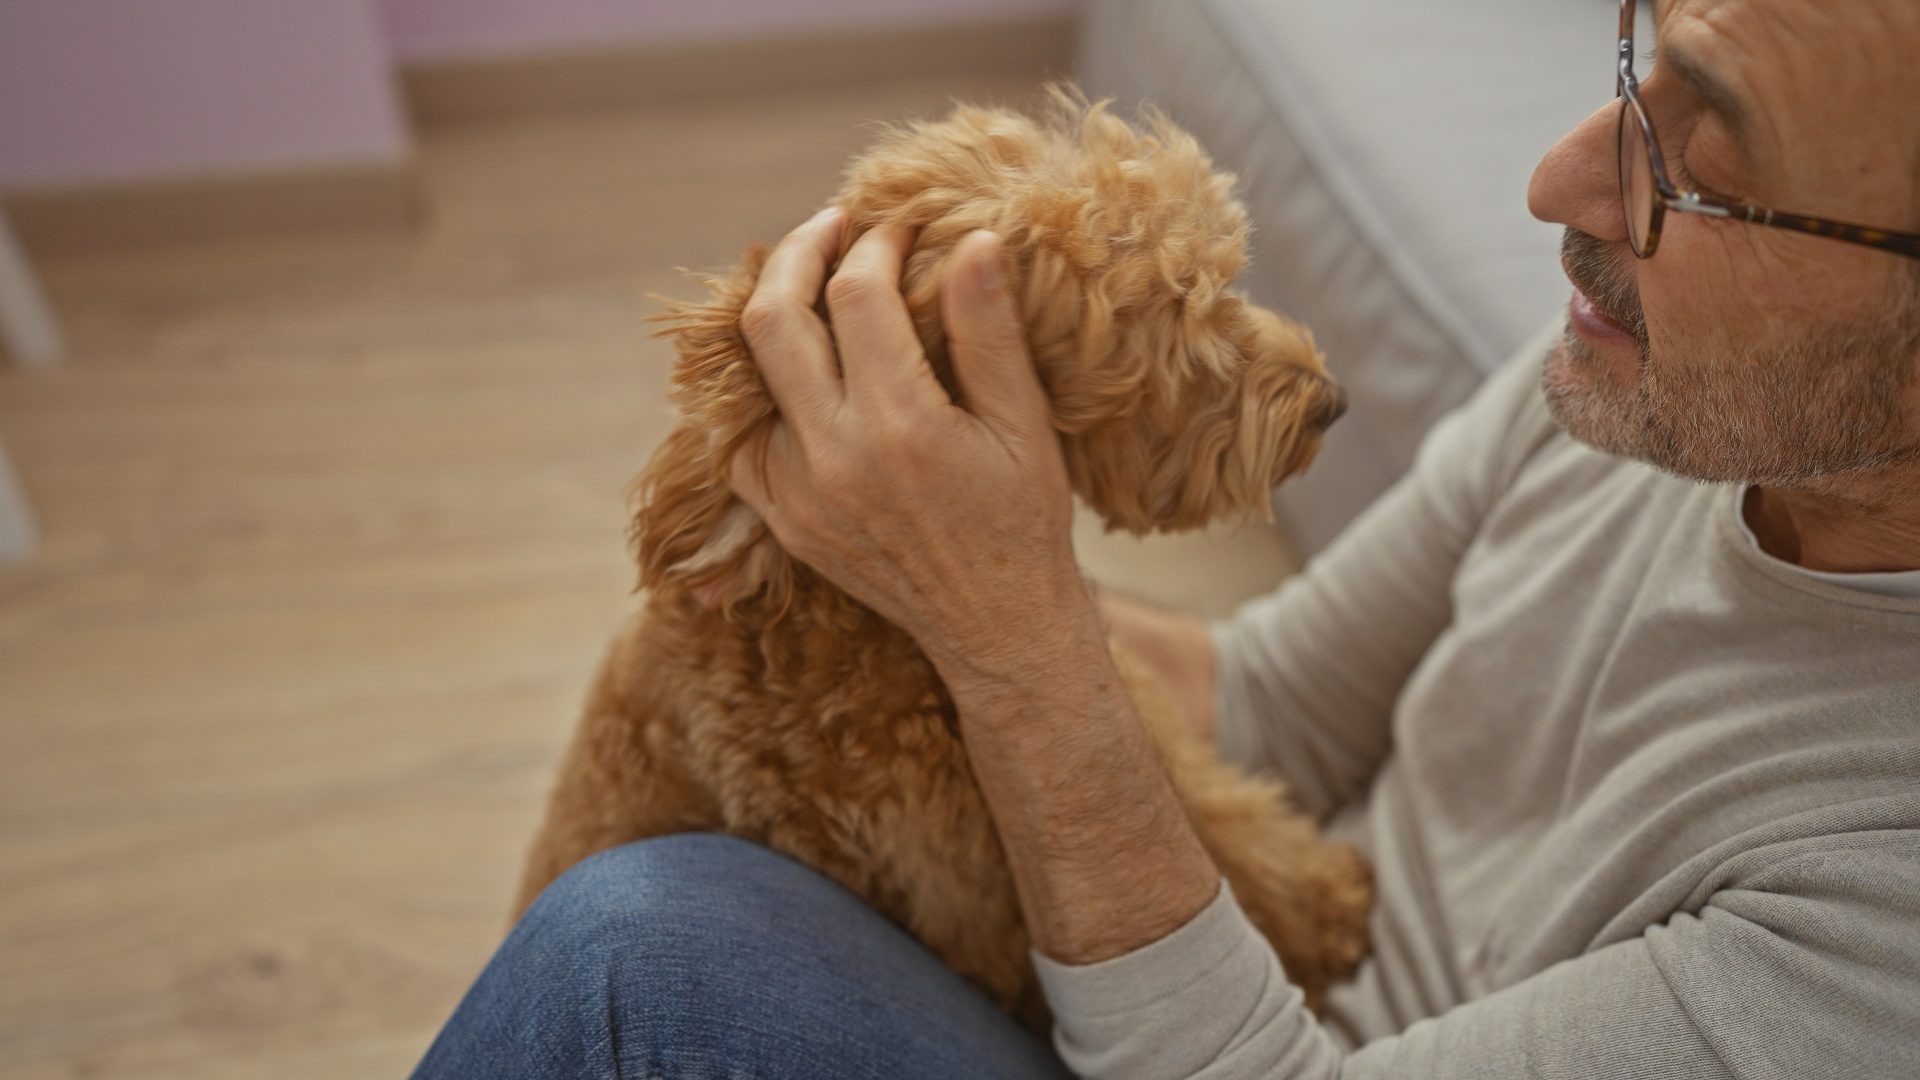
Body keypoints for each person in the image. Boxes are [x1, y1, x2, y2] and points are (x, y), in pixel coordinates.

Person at [413, 0, 1920, 1076]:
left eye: (1711, 167)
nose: (1559, 184)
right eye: (1643, 61)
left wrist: (1012, 637)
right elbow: (1273, 699)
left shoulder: (1883, 923)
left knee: (635, 952)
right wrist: (882, 550)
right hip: (1197, 975)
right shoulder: (1661, 380)